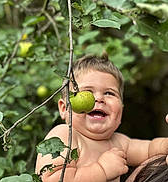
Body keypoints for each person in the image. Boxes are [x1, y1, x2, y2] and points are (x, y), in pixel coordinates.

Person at [35, 55, 168, 182]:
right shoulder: (63, 136)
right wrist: (101, 170)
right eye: (87, 92)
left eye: (109, 93)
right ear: (64, 108)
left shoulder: (120, 143)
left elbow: (151, 149)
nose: (99, 98)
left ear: (121, 110)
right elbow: (51, 178)